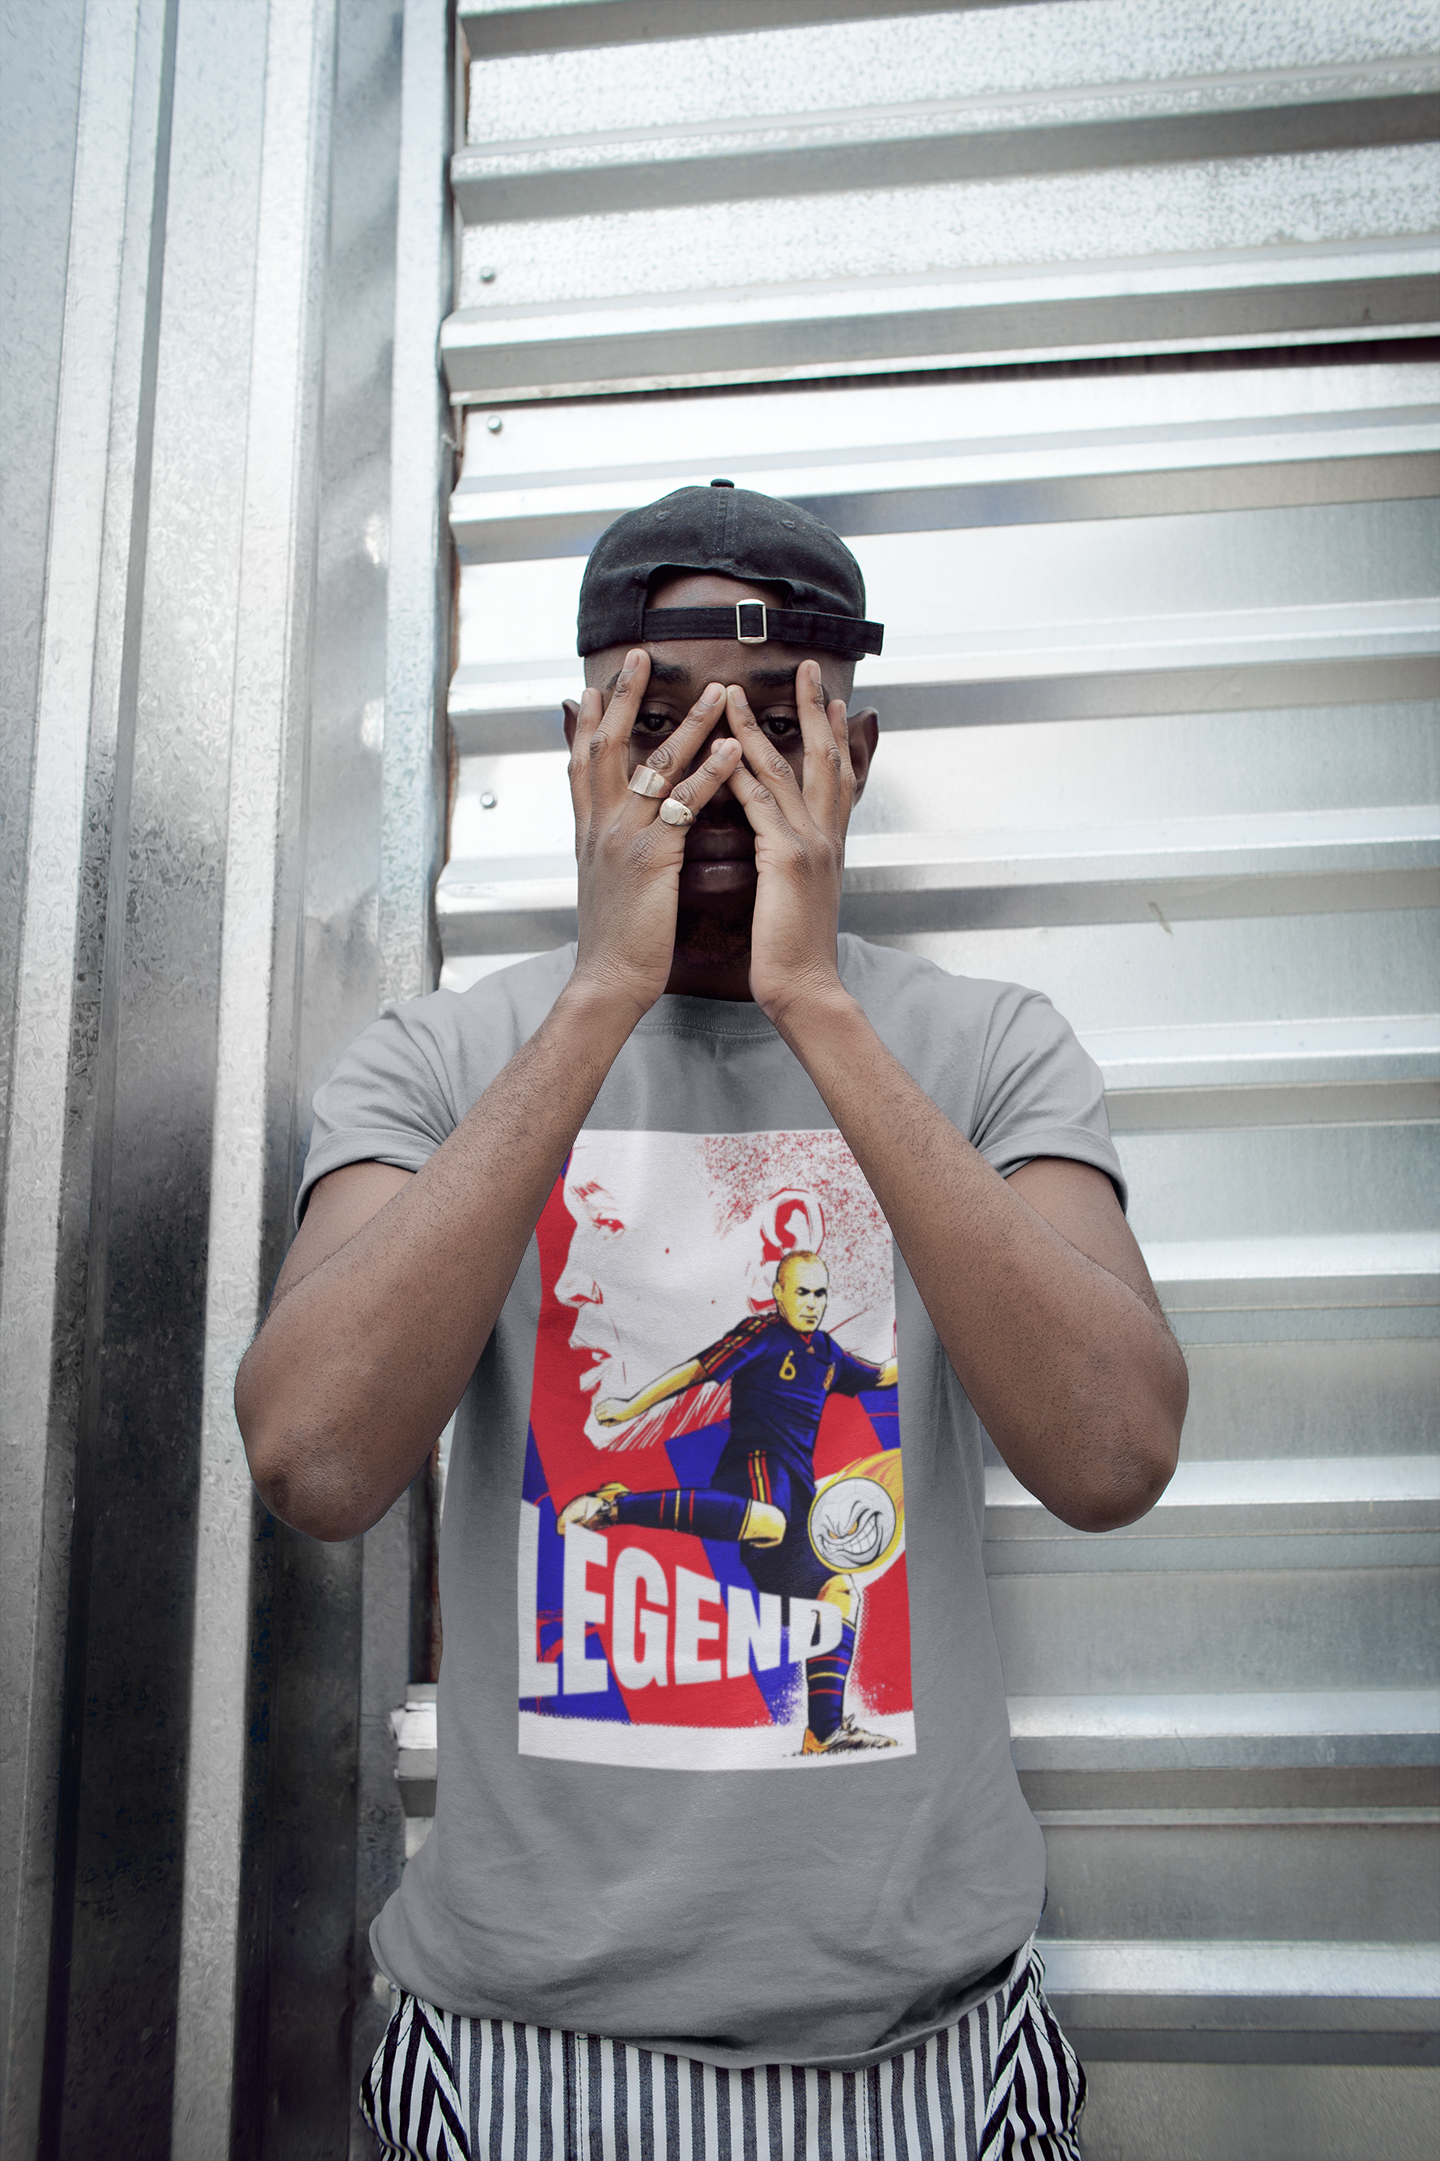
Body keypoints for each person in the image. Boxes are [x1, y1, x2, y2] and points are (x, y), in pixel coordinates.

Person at [236, 480, 1188, 2157]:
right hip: (525, 2054)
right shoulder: (442, 1063)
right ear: (580, 748)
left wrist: (810, 1000)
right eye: (663, 722)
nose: (718, 773)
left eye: (776, 727)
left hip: (922, 2053)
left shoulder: (988, 1051)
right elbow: (313, 1460)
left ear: (856, 756)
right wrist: (604, 989)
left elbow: (1112, 1455)